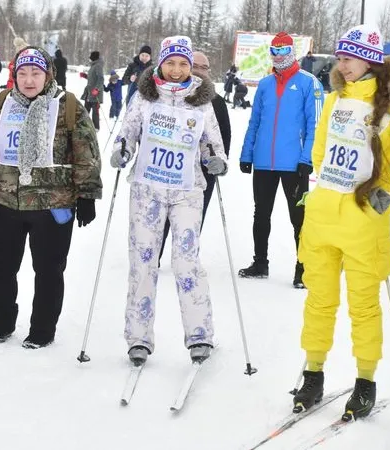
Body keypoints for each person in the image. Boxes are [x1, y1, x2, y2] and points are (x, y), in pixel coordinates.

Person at [292, 25, 390, 420]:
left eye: (348, 58)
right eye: (339, 57)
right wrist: (329, 189)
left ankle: (365, 380)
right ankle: (313, 373)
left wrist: (388, 203)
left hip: (364, 224)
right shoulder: (334, 99)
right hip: (323, 219)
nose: (341, 64)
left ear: (368, 58)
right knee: (319, 300)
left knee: (363, 305)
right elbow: (319, 153)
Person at [0, 46, 102, 349]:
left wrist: (87, 194)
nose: (29, 80)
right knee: (0, 267)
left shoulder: (66, 105)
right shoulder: (0, 103)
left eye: (36, 73)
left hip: (52, 204)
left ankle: (42, 329)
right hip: (5, 200)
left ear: (48, 74)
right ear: (14, 75)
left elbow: (86, 151)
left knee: (49, 270)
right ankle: (1, 323)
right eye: (22, 73)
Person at [109, 36, 228, 365]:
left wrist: (216, 159)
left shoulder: (201, 100)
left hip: (187, 191)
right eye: (171, 63)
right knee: (143, 262)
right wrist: (122, 151)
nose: (177, 70)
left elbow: (212, 143)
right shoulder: (145, 97)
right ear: (161, 64)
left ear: (191, 67)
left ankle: (200, 334)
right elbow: (128, 132)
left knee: (186, 262)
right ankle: (138, 337)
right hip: (147, 188)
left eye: (184, 64)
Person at [239, 31, 324, 288]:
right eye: (274, 51)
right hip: (264, 162)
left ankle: (303, 269)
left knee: (299, 217)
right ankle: (260, 262)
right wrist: (247, 153)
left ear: (292, 52)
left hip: (294, 164)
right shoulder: (264, 84)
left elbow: (316, 125)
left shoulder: (309, 83)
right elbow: (255, 122)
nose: (278, 56)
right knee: (260, 214)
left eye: (283, 51)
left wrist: (306, 158)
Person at [158, 50, 232, 264]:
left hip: (201, 172)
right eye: (195, 66)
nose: (199, 71)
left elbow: (224, 136)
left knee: (193, 218)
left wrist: (219, 162)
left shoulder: (216, 101)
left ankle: (185, 259)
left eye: (204, 67)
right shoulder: (170, 95)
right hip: (170, 168)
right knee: (162, 216)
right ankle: (155, 255)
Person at [82, 50, 104, 130]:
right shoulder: (93, 66)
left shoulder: (98, 66)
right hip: (89, 93)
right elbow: (92, 78)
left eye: (91, 56)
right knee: (85, 111)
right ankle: (84, 126)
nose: (89, 58)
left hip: (95, 94)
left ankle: (96, 128)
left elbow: (101, 79)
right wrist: (85, 76)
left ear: (94, 57)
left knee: (95, 112)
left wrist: (97, 89)